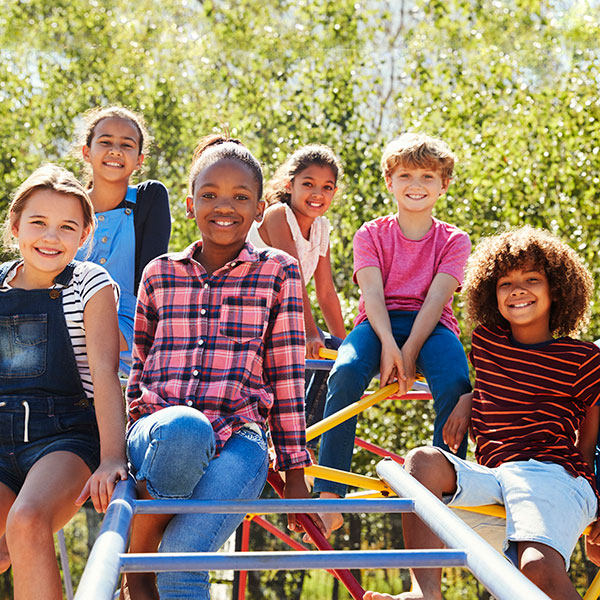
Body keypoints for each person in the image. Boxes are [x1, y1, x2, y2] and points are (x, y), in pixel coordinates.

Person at [122, 135, 325, 600]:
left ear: (259, 211)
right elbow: (139, 370)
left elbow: (287, 374)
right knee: (184, 429)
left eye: (240, 197)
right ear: (191, 205)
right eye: (210, 195)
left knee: (184, 561)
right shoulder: (158, 273)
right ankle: (138, 567)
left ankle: (144, 567)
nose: (224, 206)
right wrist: (120, 446)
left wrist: (295, 467)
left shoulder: (278, 272)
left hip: (239, 438)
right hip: (159, 433)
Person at [364, 226, 600, 600]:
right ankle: (425, 592)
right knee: (420, 461)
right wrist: (468, 397)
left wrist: (596, 496)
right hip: (494, 475)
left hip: (553, 475)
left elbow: (591, 439)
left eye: (532, 280)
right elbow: (505, 385)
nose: (517, 290)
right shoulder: (487, 343)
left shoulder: (584, 359)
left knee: (536, 570)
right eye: (505, 283)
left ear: (556, 289)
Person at [312, 133, 472, 537]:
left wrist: (409, 350)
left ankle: (447, 488)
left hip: (431, 328)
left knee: (455, 379)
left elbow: (437, 301)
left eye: (427, 176)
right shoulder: (371, 234)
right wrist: (388, 346)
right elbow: (372, 296)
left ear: (443, 185)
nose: (416, 184)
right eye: (405, 175)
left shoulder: (454, 240)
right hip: (377, 325)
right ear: (390, 182)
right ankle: (329, 491)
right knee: (345, 372)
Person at [0, 164, 127, 600]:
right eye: (38, 223)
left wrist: (112, 458)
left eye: (66, 227)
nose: (51, 237)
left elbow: (107, 376)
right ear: (15, 225)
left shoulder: (89, 284)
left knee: (27, 520)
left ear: (84, 234)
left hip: (65, 437)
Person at [247, 144, 346, 444]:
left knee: (336, 355)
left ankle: (306, 438)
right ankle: (285, 436)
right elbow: (292, 280)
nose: (317, 193)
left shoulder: (321, 228)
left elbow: (326, 292)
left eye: (326, 187)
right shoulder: (278, 216)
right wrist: (311, 332)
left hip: (286, 319)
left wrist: (346, 346)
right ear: (290, 186)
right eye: (308, 184)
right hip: (255, 314)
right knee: (311, 346)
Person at [77, 105, 171, 373]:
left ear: (140, 159)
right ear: (87, 152)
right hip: (65, 322)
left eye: (126, 145)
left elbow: (151, 278)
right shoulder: (68, 204)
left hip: (127, 328)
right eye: (105, 142)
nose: (115, 150)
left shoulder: (148, 198)